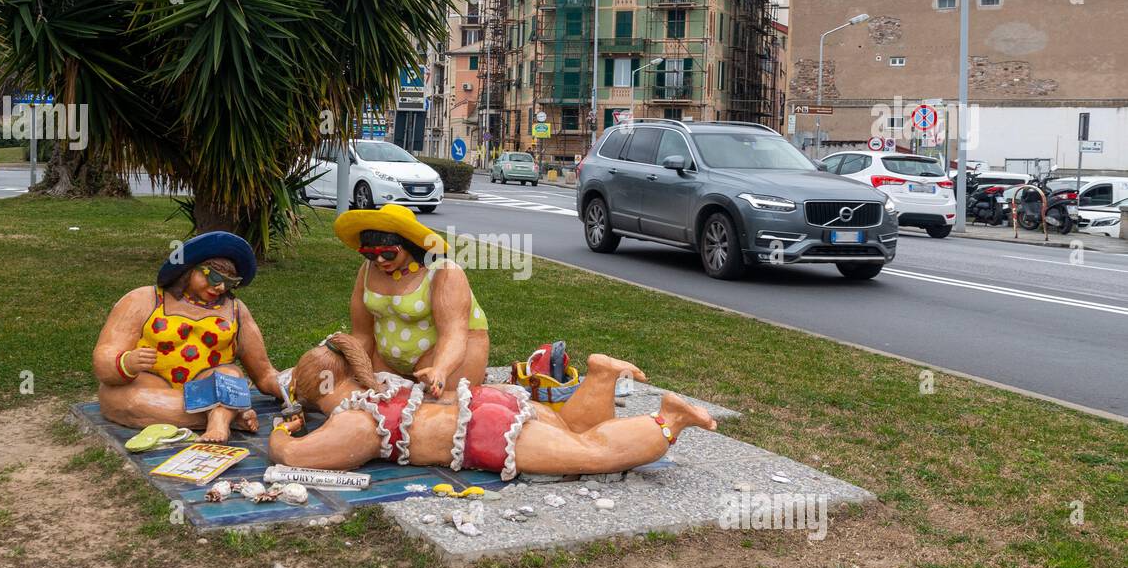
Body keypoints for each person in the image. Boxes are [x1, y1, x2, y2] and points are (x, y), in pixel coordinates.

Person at [268, 334, 716, 478]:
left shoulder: (357, 420)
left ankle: (668, 418)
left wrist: (284, 432)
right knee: (566, 427)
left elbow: (298, 458)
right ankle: (600, 375)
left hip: (486, 432)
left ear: (322, 392)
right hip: (489, 402)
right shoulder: (385, 385)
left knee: (592, 455)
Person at [93, 231, 283, 442]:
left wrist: (292, 387)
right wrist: (127, 363)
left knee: (229, 375)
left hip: (209, 382)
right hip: (151, 385)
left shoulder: (236, 310)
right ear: (189, 269)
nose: (220, 287)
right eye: (214, 277)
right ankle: (225, 413)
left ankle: (220, 414)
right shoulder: (143, 299)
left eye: (229, 283)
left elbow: (264, 372)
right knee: (126, 399)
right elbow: (105, 356)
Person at [333, 204, 488, 396]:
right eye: (370, 254)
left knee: (441, 407)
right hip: (388, 358)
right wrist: (349, 362)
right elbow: (362, 333)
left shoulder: (444, 272)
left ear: (409, 244)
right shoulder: (367, 270)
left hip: (444, 355)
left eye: (388, 253)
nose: (379, 260)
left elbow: (453, 334)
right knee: (379, 403)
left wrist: (441, 369)